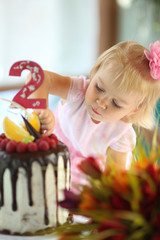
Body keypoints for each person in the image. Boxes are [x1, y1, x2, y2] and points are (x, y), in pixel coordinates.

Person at [27, 41, 160, 188]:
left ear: (135, 109)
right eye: (99, 88)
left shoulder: (121, 135)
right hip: (48, 156)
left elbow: (114, 180)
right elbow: (38, 77)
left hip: (82, 184)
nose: (101, 103)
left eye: (116, 103)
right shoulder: (79, 91)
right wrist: (40, 108)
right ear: (95, 71)